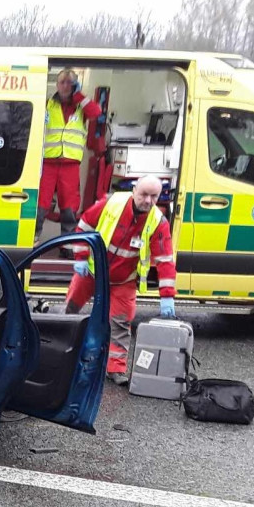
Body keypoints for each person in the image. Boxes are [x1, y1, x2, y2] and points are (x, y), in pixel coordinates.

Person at [64, 175, 177, 385]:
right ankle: (59, 353)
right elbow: (84, 226)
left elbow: (165, 260)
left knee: (120, 325)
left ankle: (115, 370)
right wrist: (79, 257)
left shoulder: (157, 223)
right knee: (68, 313)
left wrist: (167, 297)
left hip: (123, 281)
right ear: (134, 191)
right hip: (90, 272)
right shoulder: (112, 204)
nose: (148, 201)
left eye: (154, 196)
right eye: (144, 195)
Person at [36, 69, 103, 245]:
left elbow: (96, 113)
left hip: (70, 164)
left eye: (69, 82)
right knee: (40, 204)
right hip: (48, 162)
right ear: (57, 85)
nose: (65, 86)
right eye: (62, 82)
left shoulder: (81, 106)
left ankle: (67, 244)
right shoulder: (48, 104)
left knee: (69, 207)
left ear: (75, 85)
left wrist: (79, 95)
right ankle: (32, 241)